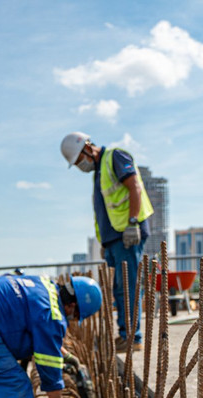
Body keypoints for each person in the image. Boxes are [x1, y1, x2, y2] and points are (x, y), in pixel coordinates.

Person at [60, 131, 153, 351]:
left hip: (127, 234)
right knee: (120, 288)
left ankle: (133, 338)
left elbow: (134, 186)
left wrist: (132, 222)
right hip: (114, 239)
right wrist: (104, 242)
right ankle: (126, 334)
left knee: (128, 286)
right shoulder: (99, 171)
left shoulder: (115, 156)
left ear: (87, 148)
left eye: (79, 160)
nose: (80, 165)